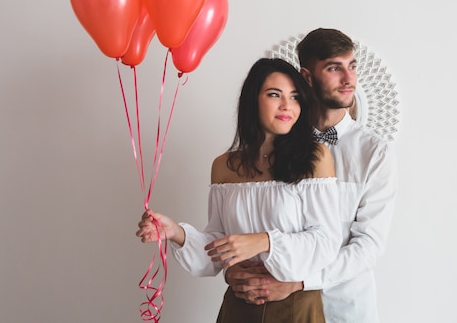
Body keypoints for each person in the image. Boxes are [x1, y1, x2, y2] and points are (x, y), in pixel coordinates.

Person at [136, 57, 342, 323]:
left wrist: (264, 241)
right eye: (274, 94)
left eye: (294, 97)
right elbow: (218, 248)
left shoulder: (315, 157)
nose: (287, 106)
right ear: (252, 100)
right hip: (238, 307)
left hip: (295, 309)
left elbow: (326, 241)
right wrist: (175, 232)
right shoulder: (224, 166)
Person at [225, 28, 399, 323]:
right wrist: (234, 268)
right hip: (281, 310)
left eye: (352, 66)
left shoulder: (375, 153)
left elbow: (368, 244)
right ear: (307, 76)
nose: (349, 79)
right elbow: (252, 220)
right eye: (334, 67)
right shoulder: (276, 141)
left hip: (343, 309)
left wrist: (299, 281)